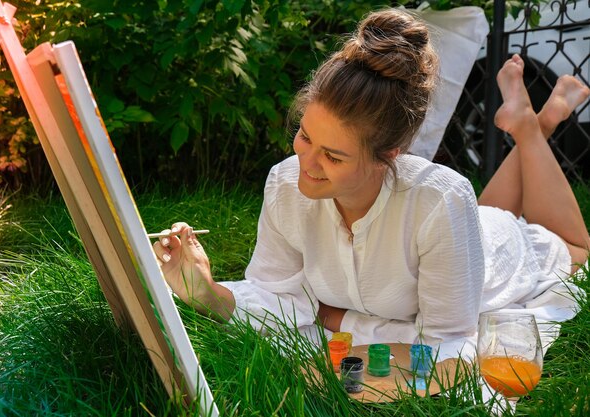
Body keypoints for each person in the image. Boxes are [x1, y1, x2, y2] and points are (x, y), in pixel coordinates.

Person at [153, 8, 590, 360]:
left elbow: (447, 348)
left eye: (334, 155)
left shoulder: (441, 200)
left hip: (508, 250)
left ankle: (534, 127)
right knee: (486, 209)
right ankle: (536, 122)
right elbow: (276, 297)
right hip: (467, 225)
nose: (306, 162)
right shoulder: (286, 183)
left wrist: (341, 320)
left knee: (576, 248)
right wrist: (205, 292)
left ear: (390, 156)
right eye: (306, 135)